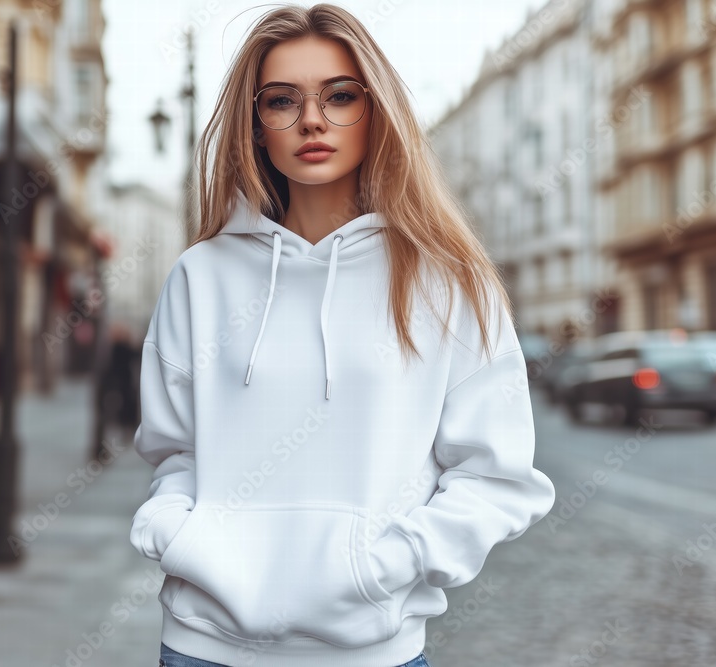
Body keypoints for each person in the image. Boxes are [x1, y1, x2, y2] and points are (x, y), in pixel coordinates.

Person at [129, 4, 556, 666]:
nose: (311, 120)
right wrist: (177, 532)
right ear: (255, 125)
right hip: (203, 645)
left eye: (339, 96)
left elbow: (497, 476)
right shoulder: (200, 276)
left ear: (376, 110)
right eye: (281, 100)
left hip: (372, 650)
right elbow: (176, 453)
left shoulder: (448, 281)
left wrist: (384, 567)